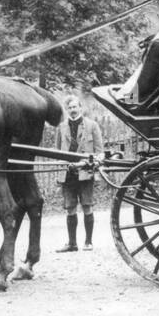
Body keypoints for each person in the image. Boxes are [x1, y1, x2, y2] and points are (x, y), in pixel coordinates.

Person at [54, 93, 105, 252]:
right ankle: (72, 243)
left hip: (85, 173)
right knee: (70, 208)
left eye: (75, 107)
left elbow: (100, 152)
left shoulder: (92, 125)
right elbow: (57, 152)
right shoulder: (61, 127)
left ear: (80, 107)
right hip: (68, 174)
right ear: (66, 110)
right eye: (69, 108)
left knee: (87, 206)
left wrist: (94, 163)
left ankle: (88, 242)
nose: (72, 110)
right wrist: (61, 167)